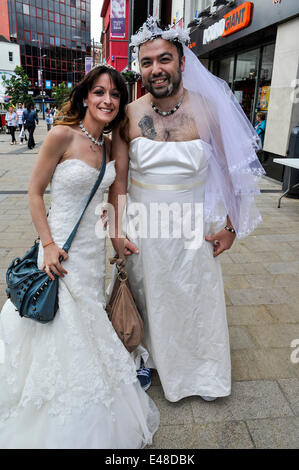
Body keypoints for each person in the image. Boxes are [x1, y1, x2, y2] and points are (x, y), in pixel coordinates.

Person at [0, 65, 159, 449]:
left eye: (115, 95)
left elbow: (116, 194)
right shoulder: (61, 136)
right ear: (85, 96)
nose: (108, 100)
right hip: (58, 250)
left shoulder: (112, 142)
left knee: (87, 325)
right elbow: (34, 192)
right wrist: (48, 244)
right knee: (54, 323)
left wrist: (120, 240)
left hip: (91, 253)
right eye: (100, 92)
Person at [108, 18, 264, 402]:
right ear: (139, 68)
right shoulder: (128, 114)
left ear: (181, 60)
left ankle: (199, 368)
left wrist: (231, 226)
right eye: (147, 62)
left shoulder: (209, 109)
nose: (156, 69)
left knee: (193, 295)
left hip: (194, 226)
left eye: (164, 59)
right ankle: (145, 356)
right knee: (147, 293)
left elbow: (233, 173)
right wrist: (115, 231)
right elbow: (119, 181)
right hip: (145, 224)